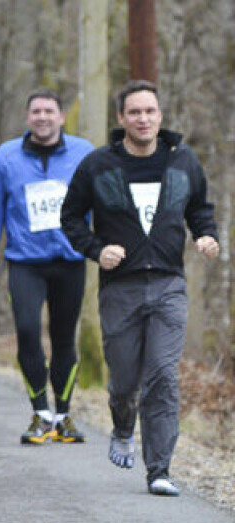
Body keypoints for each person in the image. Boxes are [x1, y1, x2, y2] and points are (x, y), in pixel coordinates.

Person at [61, 80, 219, 497]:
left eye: (150, 111)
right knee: (124, 382)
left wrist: (206, 235)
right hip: (121, 289)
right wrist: (97, 249)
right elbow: (70, 218)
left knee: (163, 376)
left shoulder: (183, 161)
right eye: (135, 112)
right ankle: (121, 426)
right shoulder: (98, 165)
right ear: (121, 118)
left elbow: (200, 209)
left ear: (160, 116)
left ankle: (159, 469)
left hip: (168, 285)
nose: (143, 119)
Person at [0, 88, 96, 445]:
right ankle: (41, 413)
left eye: (49, 111)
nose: (42, 117)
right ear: (27, 118)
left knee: (63, 337)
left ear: (61, 117)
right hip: (25, 262)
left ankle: (64, 416)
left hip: (70, 261)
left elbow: (103, 201)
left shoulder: (84, 153)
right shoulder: (6, 156)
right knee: (27, 331)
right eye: (36, 111)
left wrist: (106, 246)